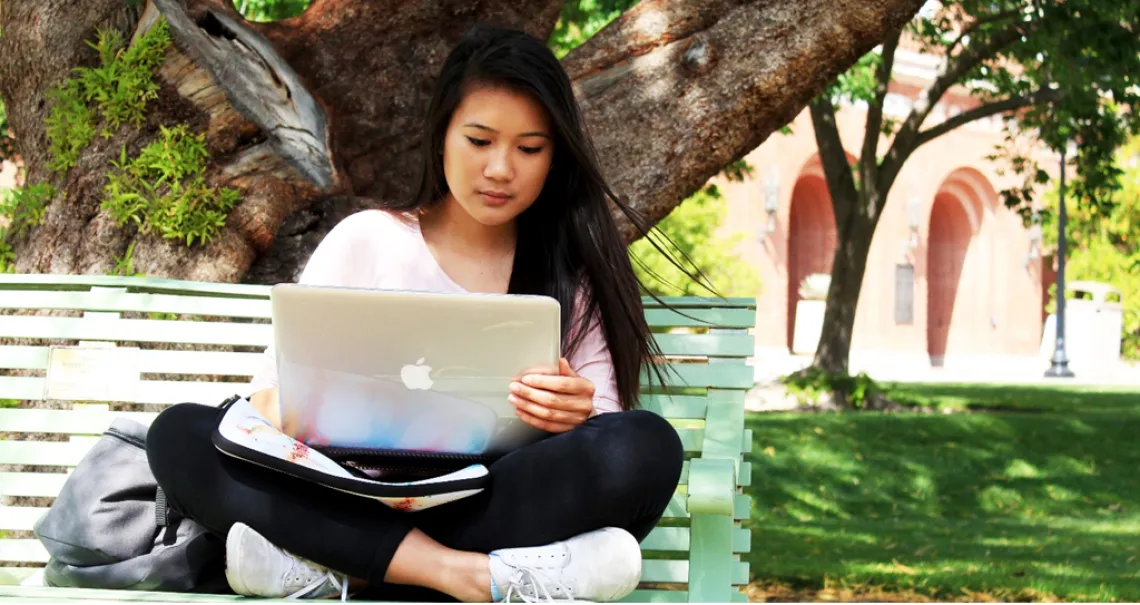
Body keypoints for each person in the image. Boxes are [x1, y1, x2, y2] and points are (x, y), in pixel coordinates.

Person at [146, 23, 689, 603]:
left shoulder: (571, 279)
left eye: (529, 148)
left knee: (645, 447)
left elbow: (605, 441)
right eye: (479, 141)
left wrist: (575, 413)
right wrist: (303, 402)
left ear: (555, 158)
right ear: (441, 138)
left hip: (488, 494)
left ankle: (340, 571)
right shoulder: (367, 240)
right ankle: (469, 578)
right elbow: (259, 413)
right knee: (179, 435)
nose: (501, 169)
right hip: (346, 488)